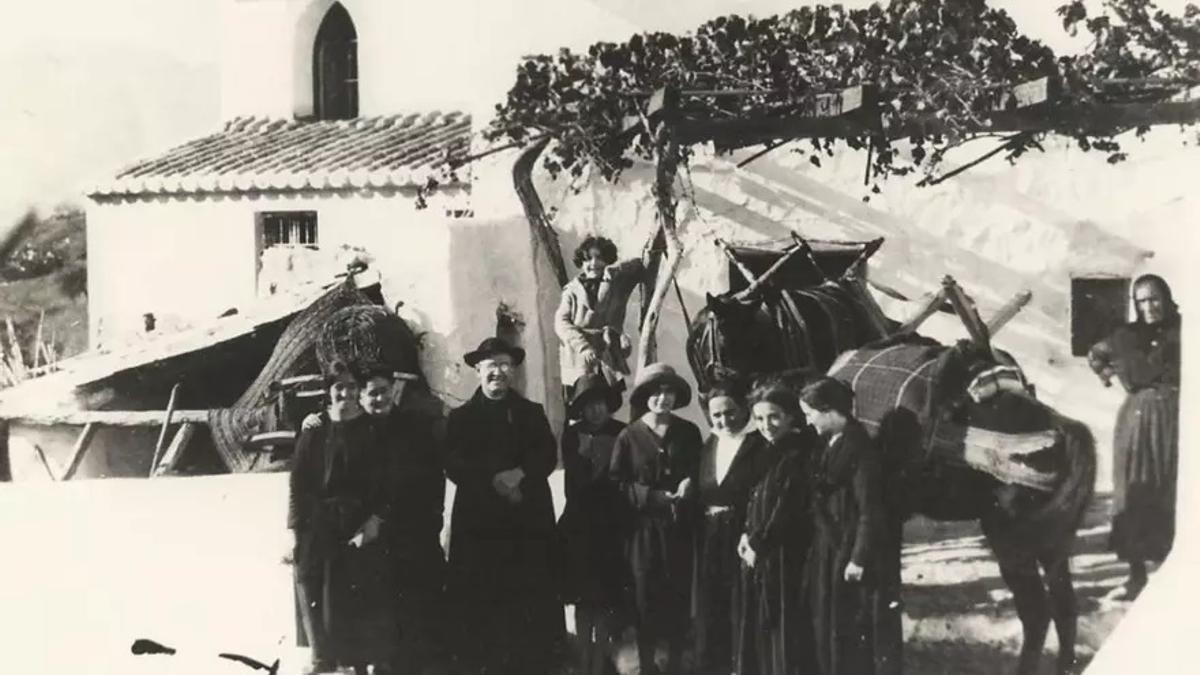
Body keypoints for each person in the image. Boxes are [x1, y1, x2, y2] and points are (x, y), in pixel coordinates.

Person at [303, 366, 448, 673]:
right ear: (361, 397)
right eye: (371, 393)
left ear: (394, 392)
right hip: (369, 531)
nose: (378, 399)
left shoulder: (413, 428)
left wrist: (432, 517)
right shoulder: (353, 429)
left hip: (412, 529)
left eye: (384, 391)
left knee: (418, 610)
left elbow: (432, 478)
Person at [443, 337, 564, 674]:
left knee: (529, 592)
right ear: (478, 369)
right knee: (483, 595)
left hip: (526, 519)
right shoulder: (461, 418)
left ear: (513, 370)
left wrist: (519, 475)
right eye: (491, 364)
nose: (498, 371)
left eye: (505, 364)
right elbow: (453, 463)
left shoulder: (531, 413)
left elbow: (546, 454)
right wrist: (494, 482)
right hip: (481, 523)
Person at [288, 361, 397, 675]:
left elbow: (386, 483)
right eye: (339, 387)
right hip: (319, 523)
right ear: (329, 391)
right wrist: (296, 529)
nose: (346, 394)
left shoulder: (372, 431)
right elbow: (298, 482)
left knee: (359, 591)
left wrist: (375, 520)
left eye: (352, 387)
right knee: (315, 587)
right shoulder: (315, 429)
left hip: (359, 521)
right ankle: (322, 659)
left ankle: (361, 661)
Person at [1087, 273, 1181, 600]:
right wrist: (1111, 375)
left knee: (1174, 492)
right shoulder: (1125, 336)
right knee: (1134, 490)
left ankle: (1176, 576)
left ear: (1166, 298)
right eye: (1141, 300)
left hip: (1178, 418)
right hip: (1137, 420)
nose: (1149, 306)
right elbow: (1095, 355)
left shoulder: (1184, 331)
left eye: (1154, 298)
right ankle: (1136, 575)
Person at [609, 363, 703, 675]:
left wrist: (691, 483)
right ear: (645, 396)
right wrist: (649, 496)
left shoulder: (688, 432)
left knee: (677, 595)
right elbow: (615, 484)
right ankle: (647, 665)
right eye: (656, 392)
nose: (663, 398)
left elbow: (701, 472)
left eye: (669, 392)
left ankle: (675, 664)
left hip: (679, 527)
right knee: (644, 596)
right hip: (643, 530)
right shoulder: (629, 436)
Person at [691, 373, 776, 675]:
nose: (724, 420)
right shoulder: (709, 443)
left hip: (741, 534)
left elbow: (762, 494)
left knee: (741, 604)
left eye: (730, 412)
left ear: (743, 410)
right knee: (711, 607)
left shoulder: (759, 445)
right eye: (716, 415)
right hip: (710, 536)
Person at [733, 379, 819, 675]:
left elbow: (787, 508)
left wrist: (758, 542)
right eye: (759, 418)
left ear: (790, 417)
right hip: (761, 553)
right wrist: (746, 534)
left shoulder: (797, 455)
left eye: (773, 417)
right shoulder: (765, 451)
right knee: (762, 625)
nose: (766, 425)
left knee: (784, 623)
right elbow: (754, 499)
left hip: (784, 555)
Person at [800, 377, 884, 675]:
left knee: (843, 626)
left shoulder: (859, 447)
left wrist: (858, 558)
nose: (808, 422)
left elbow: (870, 509)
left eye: (810, 414)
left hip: (846, 548)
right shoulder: (832, 441)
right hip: (830, 544)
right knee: (826, 621)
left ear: (829, 410)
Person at [558, 372, 628, 675]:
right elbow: (573, 486)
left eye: (600, 403)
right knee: (585, 598)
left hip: (614, 524)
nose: (595, 410)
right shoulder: (572, 435)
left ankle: (603, 662)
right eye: (588, 405)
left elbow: (623, 478)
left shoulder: (623, 432)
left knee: (608, 598)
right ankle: (586, 660)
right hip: (581, 525)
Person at [555, 235, 648, 396]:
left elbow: (638, 265)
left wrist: (613, 269)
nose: (593, 264)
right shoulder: (572, 290)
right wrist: (583, 347)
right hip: (579, 357)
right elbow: (561, 323)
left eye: (599, 258)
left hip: (608, 353)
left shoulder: (616, 281)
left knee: (608, 402)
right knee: (582, 400)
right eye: (587, 259)